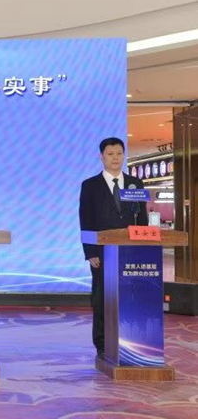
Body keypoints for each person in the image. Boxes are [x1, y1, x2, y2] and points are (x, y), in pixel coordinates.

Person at [79, 137, 148, 358]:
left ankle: (130, 341)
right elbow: (86, 220)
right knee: (102, 298)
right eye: (110, 154)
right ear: (101, 157)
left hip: (131, 251)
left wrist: (144, 247)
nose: (115, 158)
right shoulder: (90, 185)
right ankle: (102, 344)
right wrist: (90, 252)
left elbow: (142, 218)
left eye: (119, 153)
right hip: (102, 252)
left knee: (131, 296)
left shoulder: (135, 184)